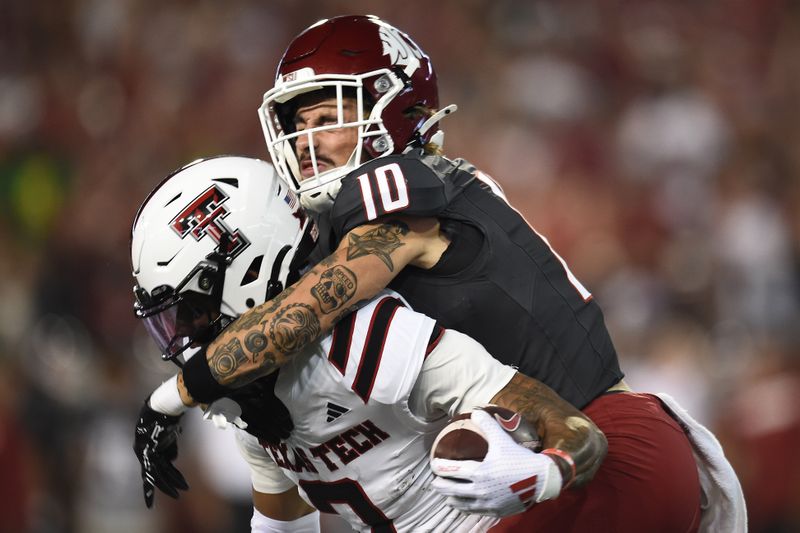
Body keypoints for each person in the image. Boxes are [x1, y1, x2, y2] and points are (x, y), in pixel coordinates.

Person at [173, 15, 745, 532]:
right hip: (583, 457)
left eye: (327, 118)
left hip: (596, 455)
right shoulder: (417, 193)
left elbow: (312, 306)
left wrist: (178, 391)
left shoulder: (396, 191)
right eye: (299, 123)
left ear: (390, 110)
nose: (307, 144)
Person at [130, 155, 607, 531]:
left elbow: (576, 430)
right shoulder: (246, 400)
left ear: (249, 270)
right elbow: (281, 525)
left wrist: (543, 475)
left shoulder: (369, 340)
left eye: (190, 310)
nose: (184, 334)